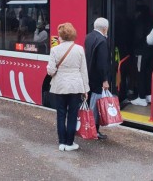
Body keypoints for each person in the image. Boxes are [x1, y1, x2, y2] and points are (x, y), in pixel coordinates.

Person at [47, 22, 89, 151]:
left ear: (61, 36)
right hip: (75, 86)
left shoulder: (55, 50)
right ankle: (70, 143)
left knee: (60, 114)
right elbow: (83, 71)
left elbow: (51, 71)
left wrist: (50, 69)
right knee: (72, 114)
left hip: (60, 86)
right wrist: (85, 89)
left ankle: (62, 143)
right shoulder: (79, 49)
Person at [84, 17, 110, 140]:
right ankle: (95, 131)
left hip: (88, 75)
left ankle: (87, 127)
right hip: (97, 78)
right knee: (96, 106)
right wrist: (105, 80)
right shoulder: (102, 41)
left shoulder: (88, 37)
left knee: (89, 103)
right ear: (105, 29)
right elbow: (102, 63)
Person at [130, 1, 153, 107]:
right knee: (148, 73)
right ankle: (149, 95)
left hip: (141, 51)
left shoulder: (139, 21)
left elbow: (138, 35)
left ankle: (141, 98)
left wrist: (134, 46)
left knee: (140, 74)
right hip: (151, 51)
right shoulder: (152, 20)